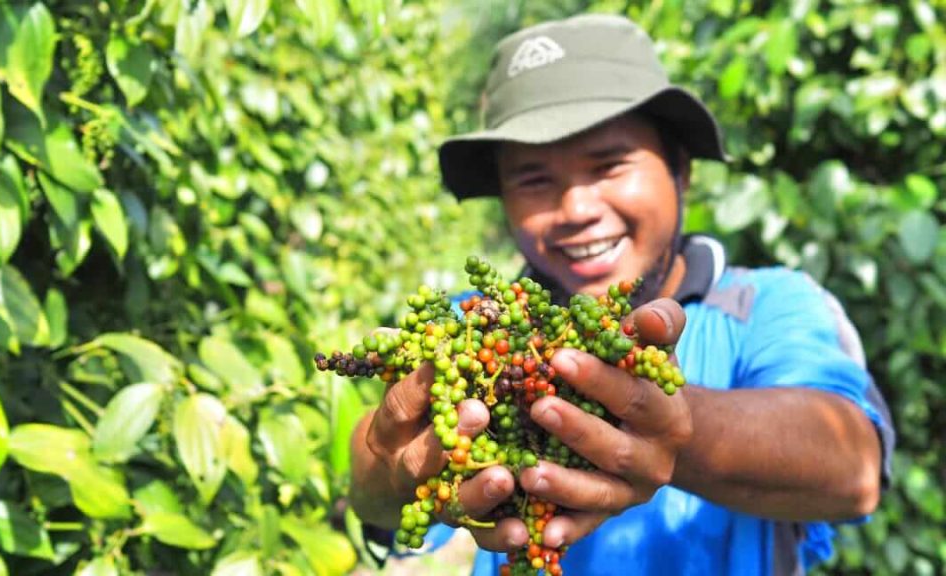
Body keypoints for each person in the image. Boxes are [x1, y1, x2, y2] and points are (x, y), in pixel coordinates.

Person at [348, 13, 895, 575]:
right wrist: (384, 477)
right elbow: (372, 485)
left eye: (608, 164)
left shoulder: (767, 305)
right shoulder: (473, 330)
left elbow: (852, 469)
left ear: (680, 170)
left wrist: (663, 421)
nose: (578, 210)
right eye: (534, 178)